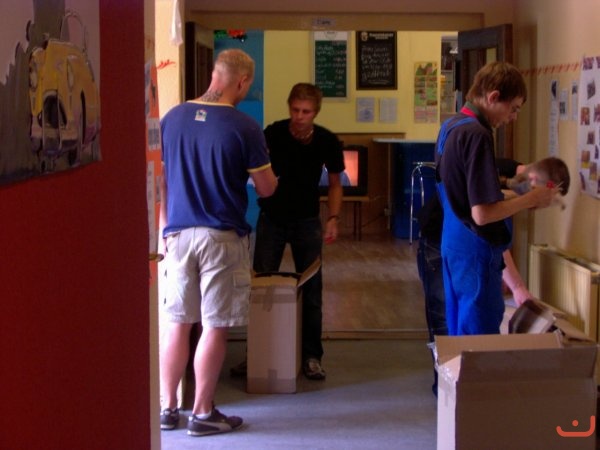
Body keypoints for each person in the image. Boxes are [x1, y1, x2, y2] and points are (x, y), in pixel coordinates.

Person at [158, 49, 277, 436]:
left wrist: (164, 229)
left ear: (214, 74)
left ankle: (167, 408)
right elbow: (266, 188)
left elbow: (161, 179)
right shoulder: (244, 126)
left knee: (177, 324)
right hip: (221, 238)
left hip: (176, 235)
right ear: (242, 81)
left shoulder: (172, 118)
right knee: (214, 325)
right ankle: (203, 412)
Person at [417, 156, 570, 394]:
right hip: (438, 244)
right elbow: (492, 237)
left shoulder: (512, 177)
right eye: (541, 201)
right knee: (445, 321)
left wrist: (513, 284)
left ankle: (457, 393)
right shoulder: (492, 176)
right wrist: (518, 287)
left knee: (462, 322)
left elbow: (496, 241)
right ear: (535, 182)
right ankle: (447, 393)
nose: (536, 207)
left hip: (461, 247)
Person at [435, 61, 562, 337]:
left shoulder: (451, 126)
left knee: (459, 337)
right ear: (493, 97)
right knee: (479, 346)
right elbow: (482, 214)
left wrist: (515, 191)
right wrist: (532, 199)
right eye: (513, 108)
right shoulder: (477, 134)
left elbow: (465, 192)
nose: (513, 117)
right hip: (475, 251)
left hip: (454, 245)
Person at [253, 82, 344, 380]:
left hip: (307, 219)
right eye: (295, 110)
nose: (300, 116)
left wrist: (333, 218)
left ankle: (311, 356)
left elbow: (335, 184)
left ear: (315, 112)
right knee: (262, 286)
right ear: (289, 107)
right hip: (272, 217)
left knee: (312, 289)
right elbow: (256, 168)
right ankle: (258, 353)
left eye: (306, 112)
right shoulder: (273, 133)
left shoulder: (327, 140)